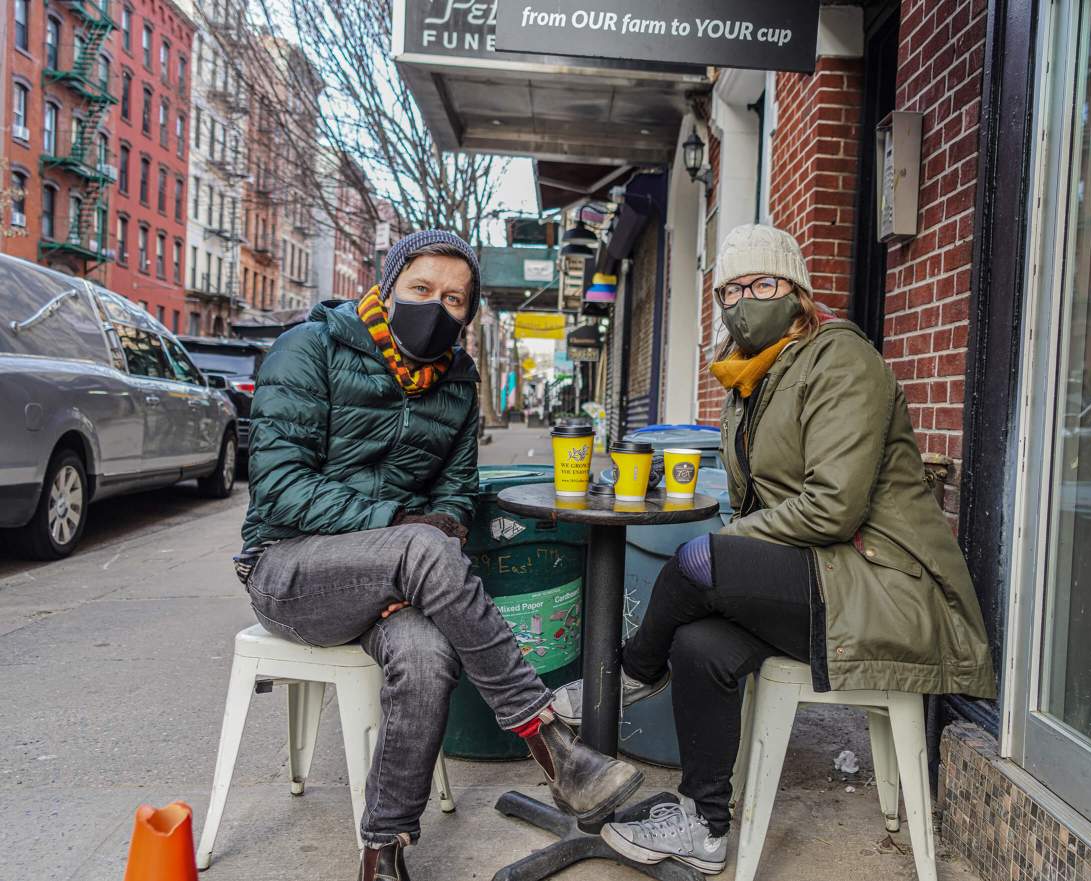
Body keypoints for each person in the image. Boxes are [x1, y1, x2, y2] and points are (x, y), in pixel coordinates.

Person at [553, 224, 996, 875]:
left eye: (761, 284)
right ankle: (704, 826)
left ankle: (626, 676)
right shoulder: (748, 382)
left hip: (884, 588)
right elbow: (760, 508)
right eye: (730, 289)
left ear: (796, 292)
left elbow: (834, 506)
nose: (743, 300)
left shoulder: (841, 359)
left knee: (697, 559)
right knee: (699, 642)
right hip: (818, 581)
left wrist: (725, 551)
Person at [236, 231, 643, 881]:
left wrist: (427, 541)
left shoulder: (458, 382)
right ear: (388, 282)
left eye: (455, 299)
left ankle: (384, 849)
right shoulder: (308, 348)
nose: (436, 306)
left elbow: (455, 494)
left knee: (427, 650)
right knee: (422, 545)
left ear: (469, 313)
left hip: (401, 571)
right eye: (420, 289)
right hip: (289, 567)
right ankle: (551, 743)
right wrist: (402, 533)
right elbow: (280, 489)